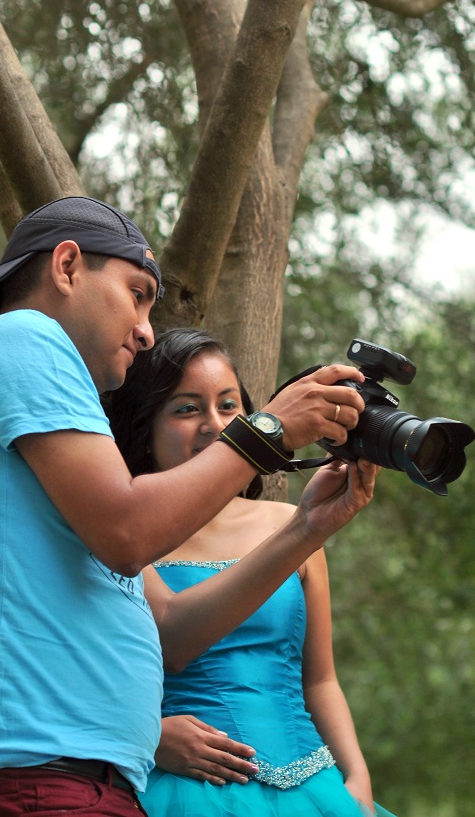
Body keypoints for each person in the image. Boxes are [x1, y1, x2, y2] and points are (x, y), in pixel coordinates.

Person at [0, 196, 374, 817]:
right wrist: (269, 431)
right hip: (27, 783)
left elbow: (172, 630)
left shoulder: (51, 430)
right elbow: (129, 529)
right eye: (137, 293)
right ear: (67, 267)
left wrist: (309, 527)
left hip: (71, 783)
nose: (148, 330)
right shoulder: (25, 337)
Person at [107, 327, 396, 817]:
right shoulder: (125, 533)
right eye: (185, 408)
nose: (214, 425)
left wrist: (357, 776)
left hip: (315, 788)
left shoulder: (287, 520)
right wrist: (145, 736)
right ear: (144, 428)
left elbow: (319, 680)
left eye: (228, 405)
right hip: (181, 790)